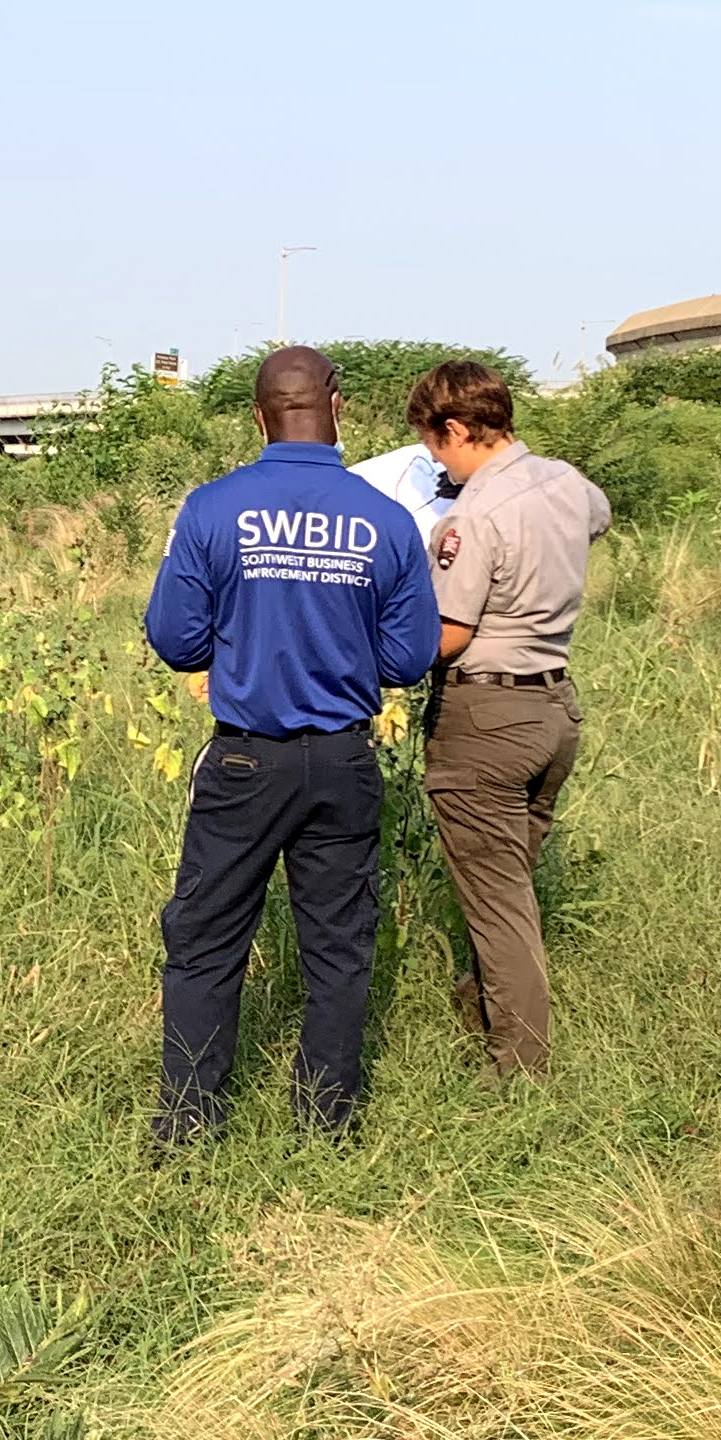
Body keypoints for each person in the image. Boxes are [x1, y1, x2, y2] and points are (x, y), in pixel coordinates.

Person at [142, 346, 443, 1147]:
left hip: (245, 760)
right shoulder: (385, 520)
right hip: (344, 760)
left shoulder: (211, 509)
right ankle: (325, 1123)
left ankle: (190, 1127)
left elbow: (175, 639)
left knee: (205, 943)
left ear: (257, 413)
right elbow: (409, 659)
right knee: (339, 949)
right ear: (337, 405)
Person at [408, 357, 612, 1077]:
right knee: (508, 889)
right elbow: (598, 520)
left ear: (456, 429)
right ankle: (482, 1005)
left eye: (435, 447)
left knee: (497, 906)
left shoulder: (473, 516)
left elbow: (446, 635)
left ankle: (518, 1067)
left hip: (486, 715)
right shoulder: (567, 482)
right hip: (554, 708)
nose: (437, 462)